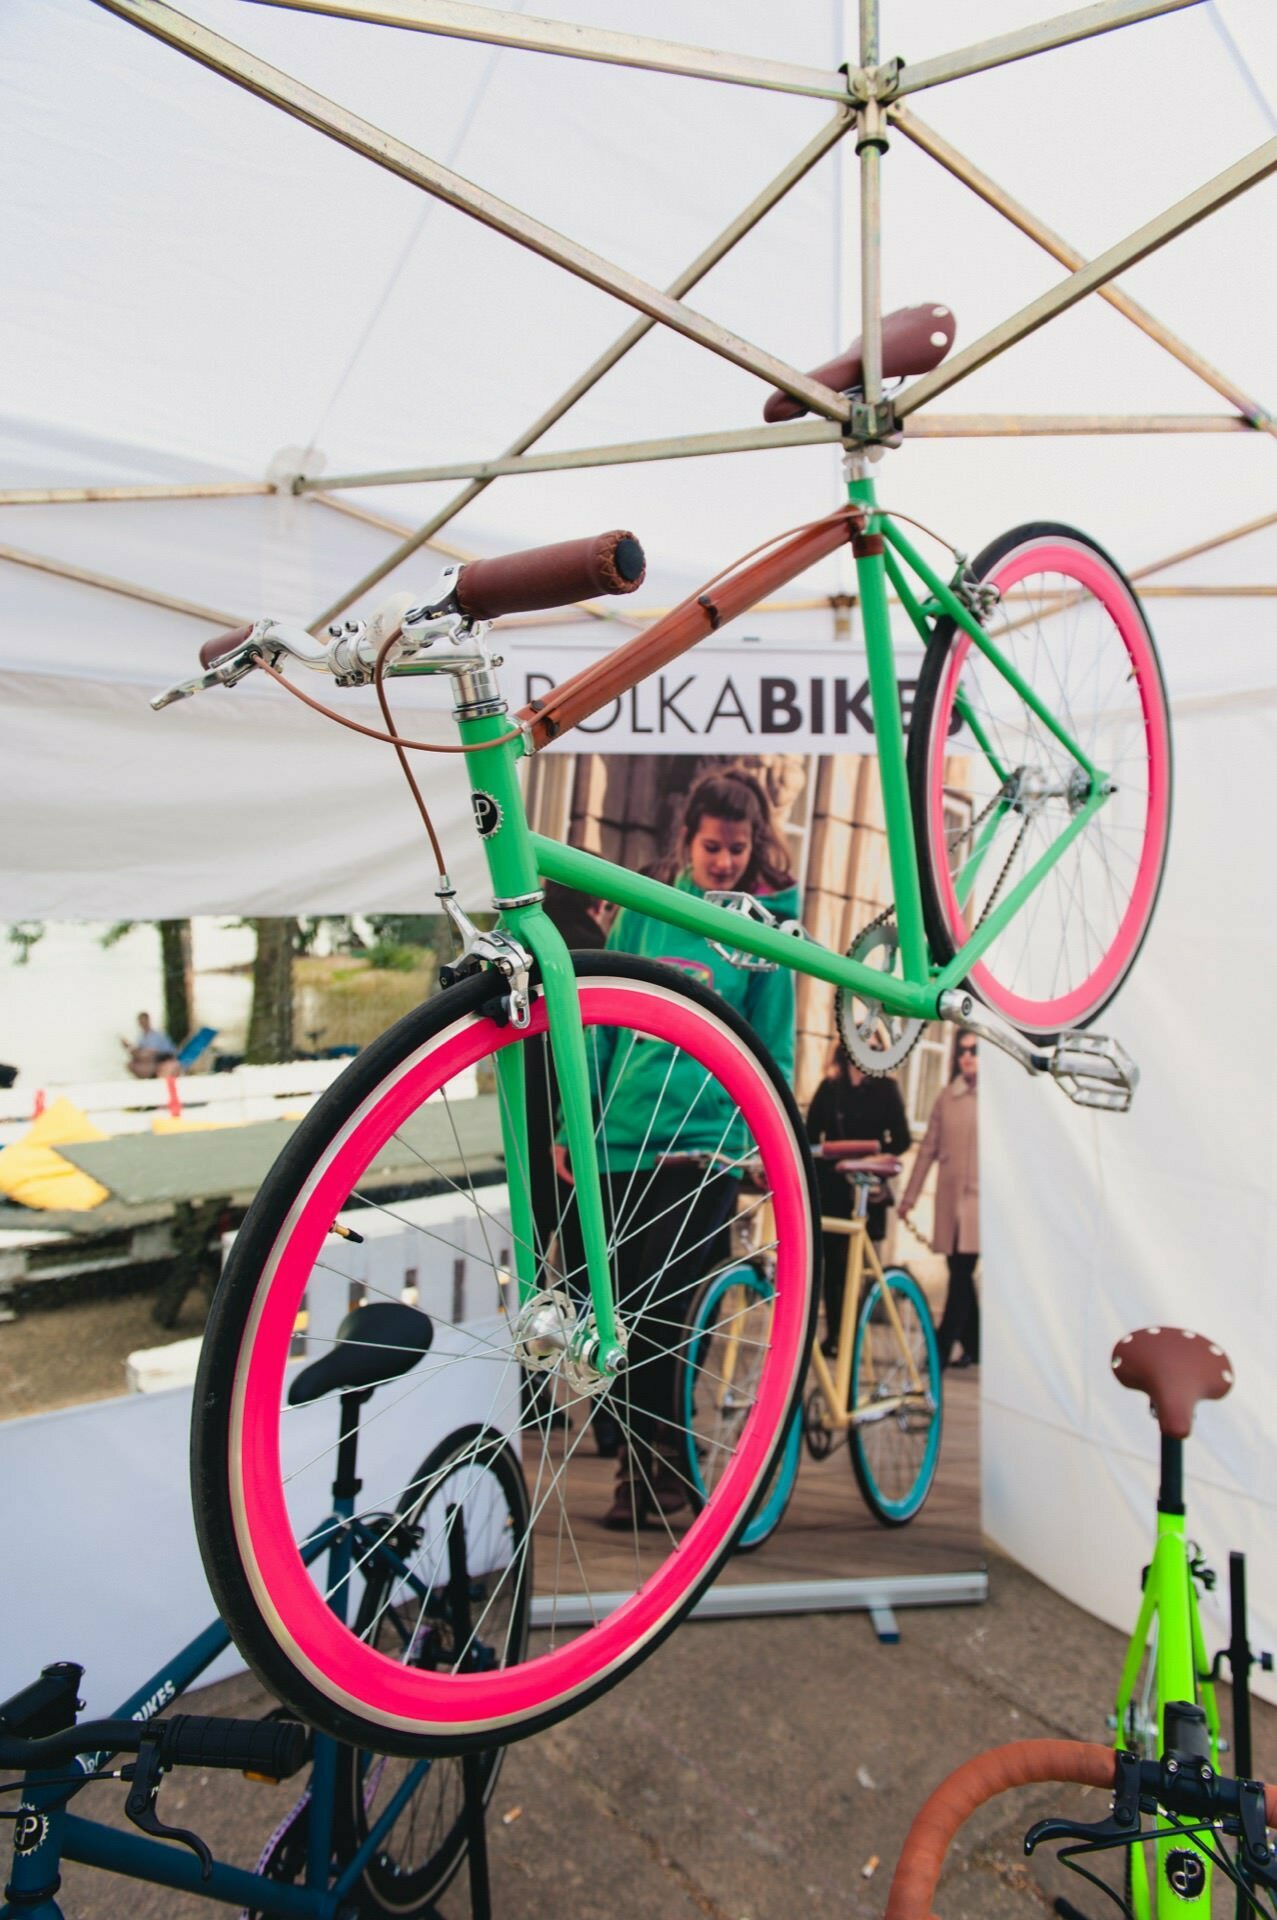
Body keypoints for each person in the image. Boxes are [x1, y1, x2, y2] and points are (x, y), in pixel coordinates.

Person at [574, 765, 798, 1529]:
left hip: (705, 1152)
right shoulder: (648, 907)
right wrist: (581, 1121)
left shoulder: (762, 925)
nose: (724, 862)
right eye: (712, 847)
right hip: (621, 1147)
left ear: (753, 844)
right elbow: (602, 1018)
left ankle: (661, 1481)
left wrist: (768, 1139)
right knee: (622, 1325)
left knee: (671, 1324)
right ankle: (643, 1480)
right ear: (687, 840)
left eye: (737, 849)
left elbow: (774, 1046)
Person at [805, 1047, 910, 1353]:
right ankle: (835, 1332)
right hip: (832, 1188)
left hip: (865, 1186)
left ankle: (852, 1334)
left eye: (875, 1047)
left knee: (856, 1263)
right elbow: (811, 1134)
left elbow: (901, 1138)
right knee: (831, 1267)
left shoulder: (886, 1089)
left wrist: (876, 1155)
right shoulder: (830, 1087)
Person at [899, 1029, 980, 1369]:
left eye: (974, 1050)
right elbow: (927, 1150)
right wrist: (909, 1198)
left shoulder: (998, 1102)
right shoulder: (947, 1097)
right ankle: (976, 1344)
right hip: (950, 1201)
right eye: (962, 1050)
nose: (967, 1056)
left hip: (980, 1205)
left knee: (961, 1272)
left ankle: (942, 1347)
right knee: (958, 1271)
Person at [123, 1011, 178, 1079]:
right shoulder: (141, 1037)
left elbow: (148, 1054)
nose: (142, 1023)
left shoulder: (155, 1035)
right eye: (140, 1021)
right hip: (154, 1060)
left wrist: (136, 1052)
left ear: (148, 1021)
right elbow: (138, 1052)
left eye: (143, 1021)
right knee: (132, 1063)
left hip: (164, 1059)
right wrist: (128, 1046)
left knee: (145, 1060)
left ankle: (152, 1075)